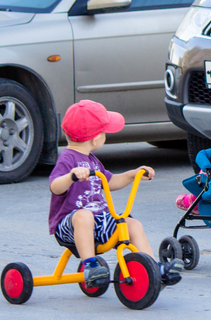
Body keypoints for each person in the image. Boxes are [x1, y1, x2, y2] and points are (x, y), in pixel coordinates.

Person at [48, 99, 183, 288]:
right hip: (69, 227)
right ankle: (90, 266)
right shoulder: (67, 158)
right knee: (84, 216)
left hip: (100, 221)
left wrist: (132, 174)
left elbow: (109, 182)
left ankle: (154, 267)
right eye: (104, 132)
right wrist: (71, 176)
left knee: (131, 224)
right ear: (96, 139)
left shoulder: (92, 160)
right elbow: (55, 186)